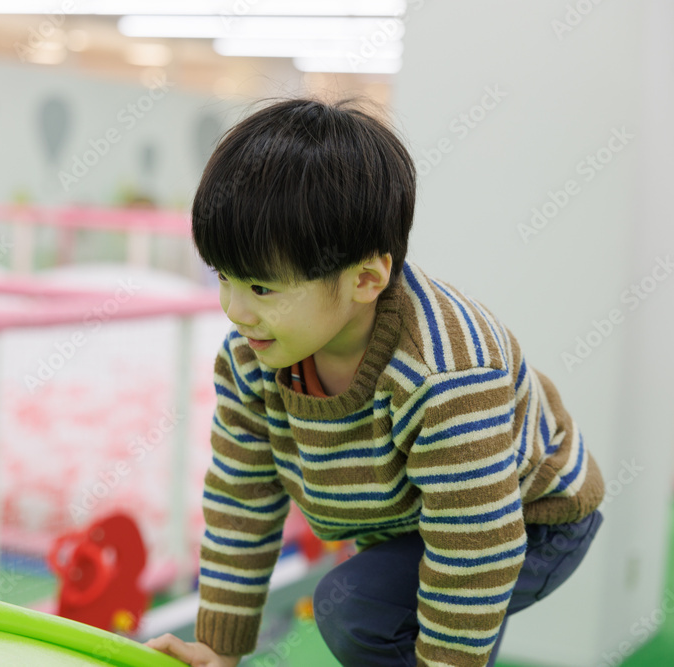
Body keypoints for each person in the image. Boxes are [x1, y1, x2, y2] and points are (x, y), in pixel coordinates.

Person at [144, 97, 605, 666]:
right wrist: (218, 647)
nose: (235, 310)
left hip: (531, 517)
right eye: (224, 277)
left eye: (262, 288)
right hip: (417, 515)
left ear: (365, 279)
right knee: (373, 604)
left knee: (358, 606)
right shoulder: (251, 357)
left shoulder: (445, 375)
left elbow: (478, 545)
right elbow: (242, 496)